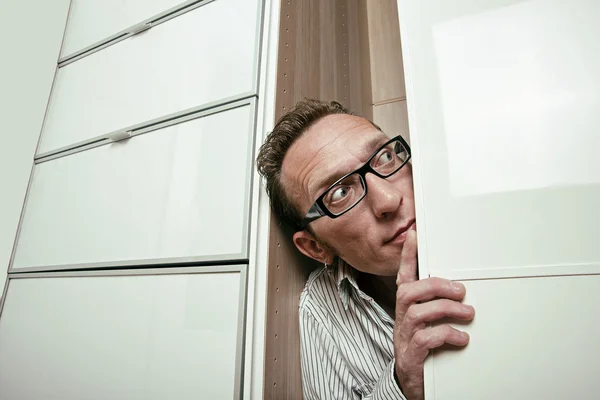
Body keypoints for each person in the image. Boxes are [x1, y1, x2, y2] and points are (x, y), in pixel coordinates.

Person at [256, 99, 475, 400]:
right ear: (315, 247)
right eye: (341, 192)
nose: (388, 199)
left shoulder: (479, 215)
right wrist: (403, 383)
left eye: (385, 156)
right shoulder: (322, 308)